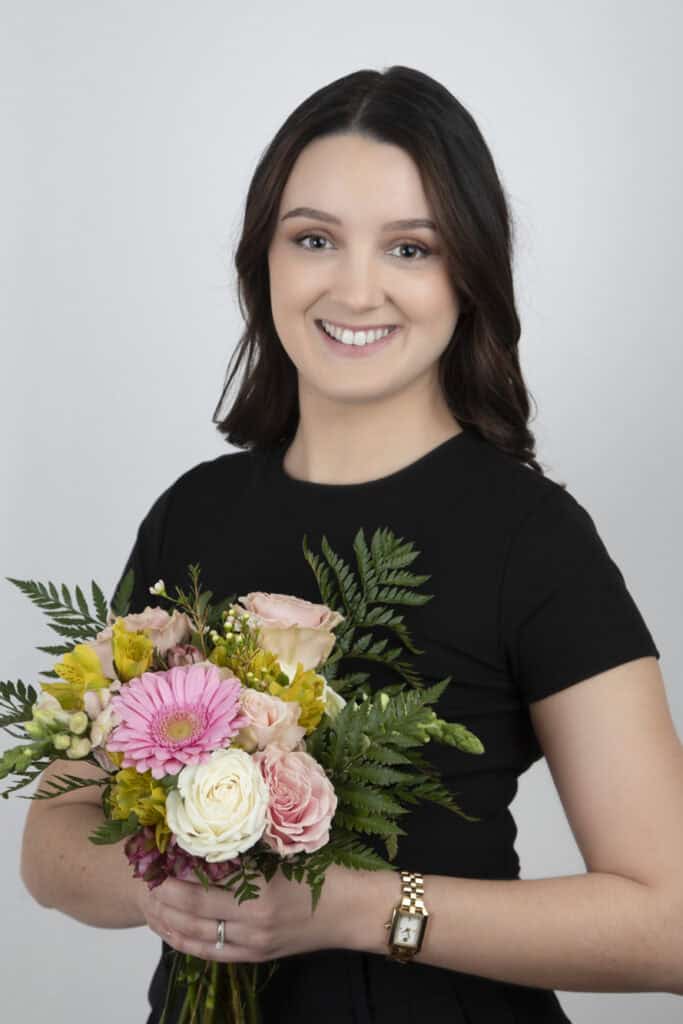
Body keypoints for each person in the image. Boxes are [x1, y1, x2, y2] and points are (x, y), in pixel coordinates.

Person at [20, 66, 683, 1023]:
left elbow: (667, 922)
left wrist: (353, 909)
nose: (356, 286)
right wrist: (167, 887)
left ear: (469, 275)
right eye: (315, 238)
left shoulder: (531, 538)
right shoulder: (190, 514)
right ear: (266, 262)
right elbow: (53, 835)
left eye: (410, 247)